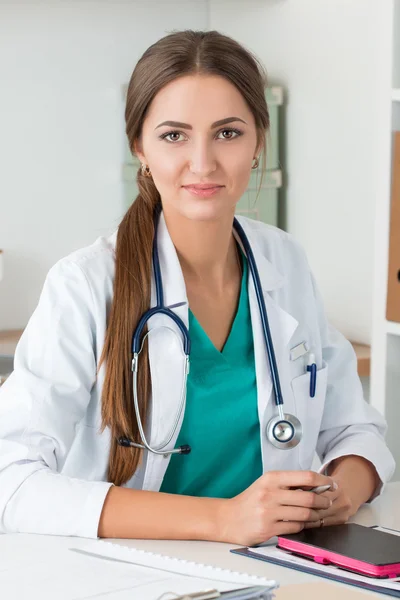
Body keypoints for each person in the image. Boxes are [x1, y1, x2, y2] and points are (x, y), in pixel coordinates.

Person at [0, 30, 394, 546]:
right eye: (174, 135)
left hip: (273, 561)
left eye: (228, 133)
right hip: (141, 572)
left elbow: (356, 431)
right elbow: (12, 481)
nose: (203, 163)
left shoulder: (284, 262)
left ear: (258, 143)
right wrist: (221, 520)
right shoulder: (85, 285)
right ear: (139, 147)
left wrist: (344, 489)